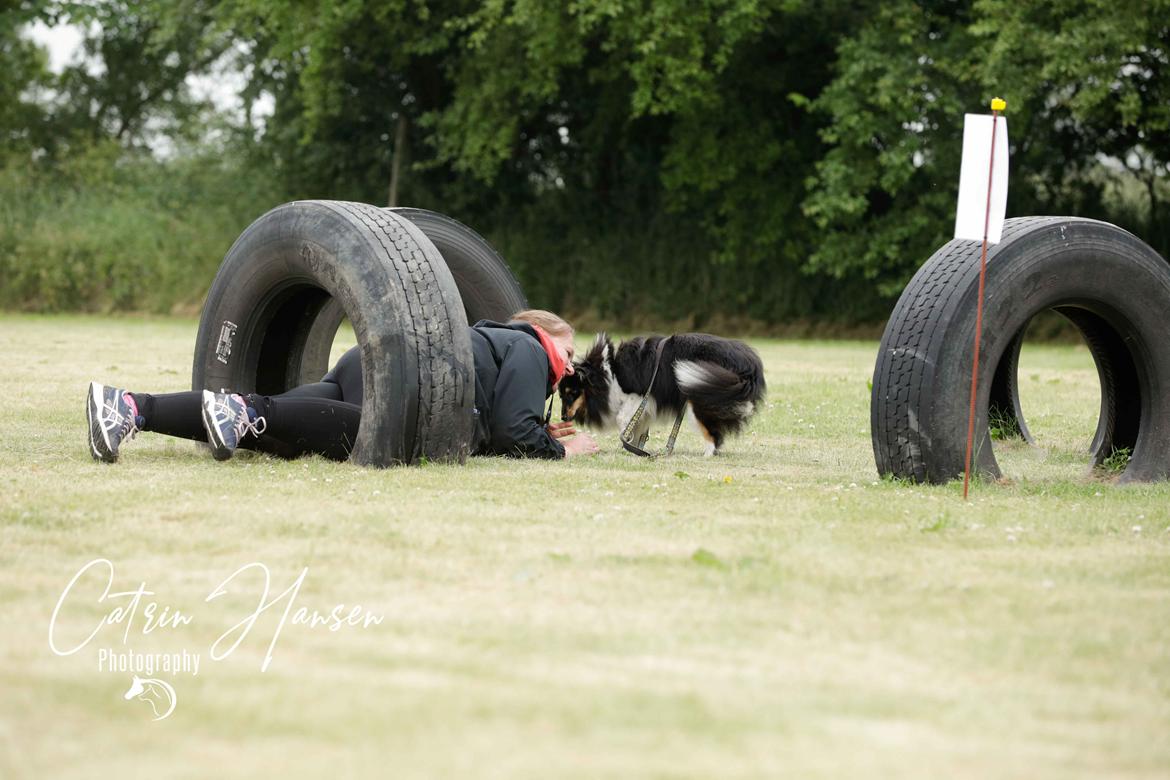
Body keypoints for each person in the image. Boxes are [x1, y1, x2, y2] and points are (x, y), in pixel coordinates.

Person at [86, 309, 600, 463]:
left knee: (256, 416)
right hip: (406, 382)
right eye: (568, 351)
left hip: (367, 363)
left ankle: (130, 407)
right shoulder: (531, 348)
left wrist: (539, 431)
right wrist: (561, 450)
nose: (568, 365)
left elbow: (504, 419)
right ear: (543, 333)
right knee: (357, 432)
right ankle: (243, 416)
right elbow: (510, 431)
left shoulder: (493, 344)